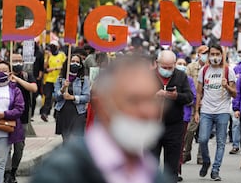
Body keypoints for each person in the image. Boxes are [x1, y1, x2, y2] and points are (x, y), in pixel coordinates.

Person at [30, 54, 170, 183]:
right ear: (103, 105)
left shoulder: (153, 174)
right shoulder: (62, 171)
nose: (146, 111)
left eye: (151, 100)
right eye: (133, 100)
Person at [194, 44, 236, 181]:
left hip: (222, 111)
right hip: (206, 110)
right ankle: (206, 161)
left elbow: (235, 93)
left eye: (217, 54)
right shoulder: (204, 70)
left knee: (221, 142)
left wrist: (227, 86)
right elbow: (199, 92)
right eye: (212, 54)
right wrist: (196, 111)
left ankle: (215, 169)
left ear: (222, 55)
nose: (214, 57)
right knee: (202, 139)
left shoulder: (228, 71)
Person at [153, 50, 193, 182]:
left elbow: (189, 98)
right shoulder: (148, 76)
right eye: (164, 67)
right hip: (151, 126)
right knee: (150, 165)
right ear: (157, 63)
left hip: (174, 126)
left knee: (172, 166)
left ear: (175, 64)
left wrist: (176, 96)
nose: (167, 70)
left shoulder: (181, 76)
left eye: (170, 67)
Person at [0, 61, 24, 183]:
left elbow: (19, 109)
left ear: (9, 73)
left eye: (4, 70)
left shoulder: (15, 90)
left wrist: (4, 114)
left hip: (4, 134)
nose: (0, 73)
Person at [4, 54, 38, 183]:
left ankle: (13, 171)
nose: (17, 63)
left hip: (22, 117)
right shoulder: (4, 75)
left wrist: (17, 80)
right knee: (6, 145)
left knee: (19, 147)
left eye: (19, 60)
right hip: (6, 115)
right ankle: (6, 173)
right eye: (15, 60)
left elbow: (33, 88)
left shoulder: (27, 75)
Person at [54, 54, 90, 144]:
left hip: (78, 112)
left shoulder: (84, 80)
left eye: (77, 62)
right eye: (73, 61)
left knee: (75, 140)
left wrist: (73, 97)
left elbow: (87, 97)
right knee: (66, 140)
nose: (75, 63)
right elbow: (56, 97)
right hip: (63, 111)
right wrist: (62, 89)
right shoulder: (60, 79)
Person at [183, 45, 209, 165]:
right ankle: (186, 153)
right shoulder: (191, 67)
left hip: (208, 103)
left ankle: (201, 156)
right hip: (194, 103)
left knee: (204, 132)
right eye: (204, 53)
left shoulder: (212, 68)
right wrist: (194, 100)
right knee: (189, 130)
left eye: (208, 53)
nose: (206, 55)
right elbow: (187, 84)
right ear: (198, 54)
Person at [175, 57, 196, 182]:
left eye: (183, 64)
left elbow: (192, 98)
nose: (181, 66)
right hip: (164, 117)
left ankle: (176, 171)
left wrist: (179, 97)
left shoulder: (188, 80)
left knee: (178, 145)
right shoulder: (166, 79)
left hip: (183, 117)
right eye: (179, 64)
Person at [40, 41, 66, 122]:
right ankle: (45, 113)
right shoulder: (49, 56)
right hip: (49, 79)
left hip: (59, 80)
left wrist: (55, 68)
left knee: (58, 97)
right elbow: (45, 67)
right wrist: (47, 57)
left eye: (54, 46)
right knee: (48, 97)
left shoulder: (61, 55)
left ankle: (56, 114)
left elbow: (64, 65)